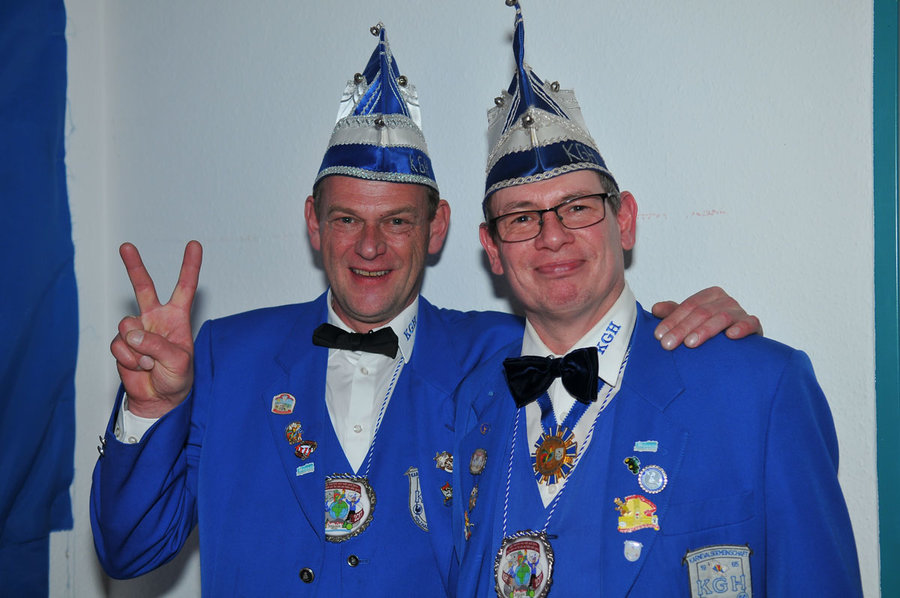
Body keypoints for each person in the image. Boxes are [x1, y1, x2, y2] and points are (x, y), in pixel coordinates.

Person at [90, 22, 759, 596]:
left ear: (437, 229)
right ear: (313, 224)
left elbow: (604, 332)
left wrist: (702, 324)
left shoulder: (505, 356)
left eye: (398, 222)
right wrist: (151, 409)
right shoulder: (225, 356)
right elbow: (129, 550)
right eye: (347, 219)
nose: (370, 247)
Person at [452, 3, 863, 597]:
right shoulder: (463, 403)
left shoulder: (760, 389)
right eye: (521, 217)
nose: (552, 236)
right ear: (492, 250)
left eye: (577, 207)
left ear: (625, 221)